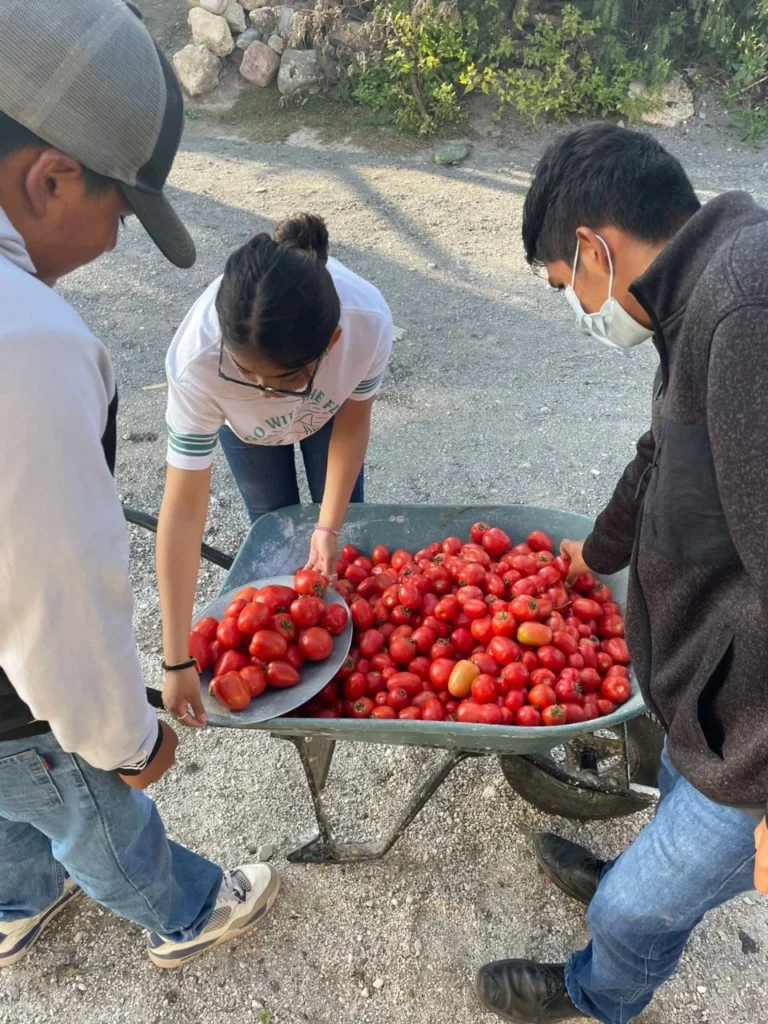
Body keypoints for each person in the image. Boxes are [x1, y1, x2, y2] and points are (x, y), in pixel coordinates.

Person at [0, 0, 277, 971]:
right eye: (120, 212)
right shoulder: (24, 342)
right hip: (14, 701)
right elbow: (54, 596)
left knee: (8, 805)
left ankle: (15, 901)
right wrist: (124, 739)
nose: (116, 241)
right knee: (87, 805)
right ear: (50, 177)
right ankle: (188, 911)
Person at [475, 123, 768, 1023]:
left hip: (754, 739)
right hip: (709, 689)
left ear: (594, 246)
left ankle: (596, 991)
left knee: (632, 912)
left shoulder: (744, 311)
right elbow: (663, 450)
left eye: (565, 284)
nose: (577, 307)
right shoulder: (699, 288)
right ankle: (637, 878)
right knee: (672, 826)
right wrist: (598, 552)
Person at [156, 214, 393, 727]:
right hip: (246, 435)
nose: (264, 394)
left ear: (331, 342)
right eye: (245, 374)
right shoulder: (197, 362)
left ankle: (342, 650)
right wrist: (176, 658)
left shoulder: (366, 322)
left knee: (342, 537)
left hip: (328, 416)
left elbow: (352, 423)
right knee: (272, 524)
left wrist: (328, 528)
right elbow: (182, 512)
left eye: (282, 380)